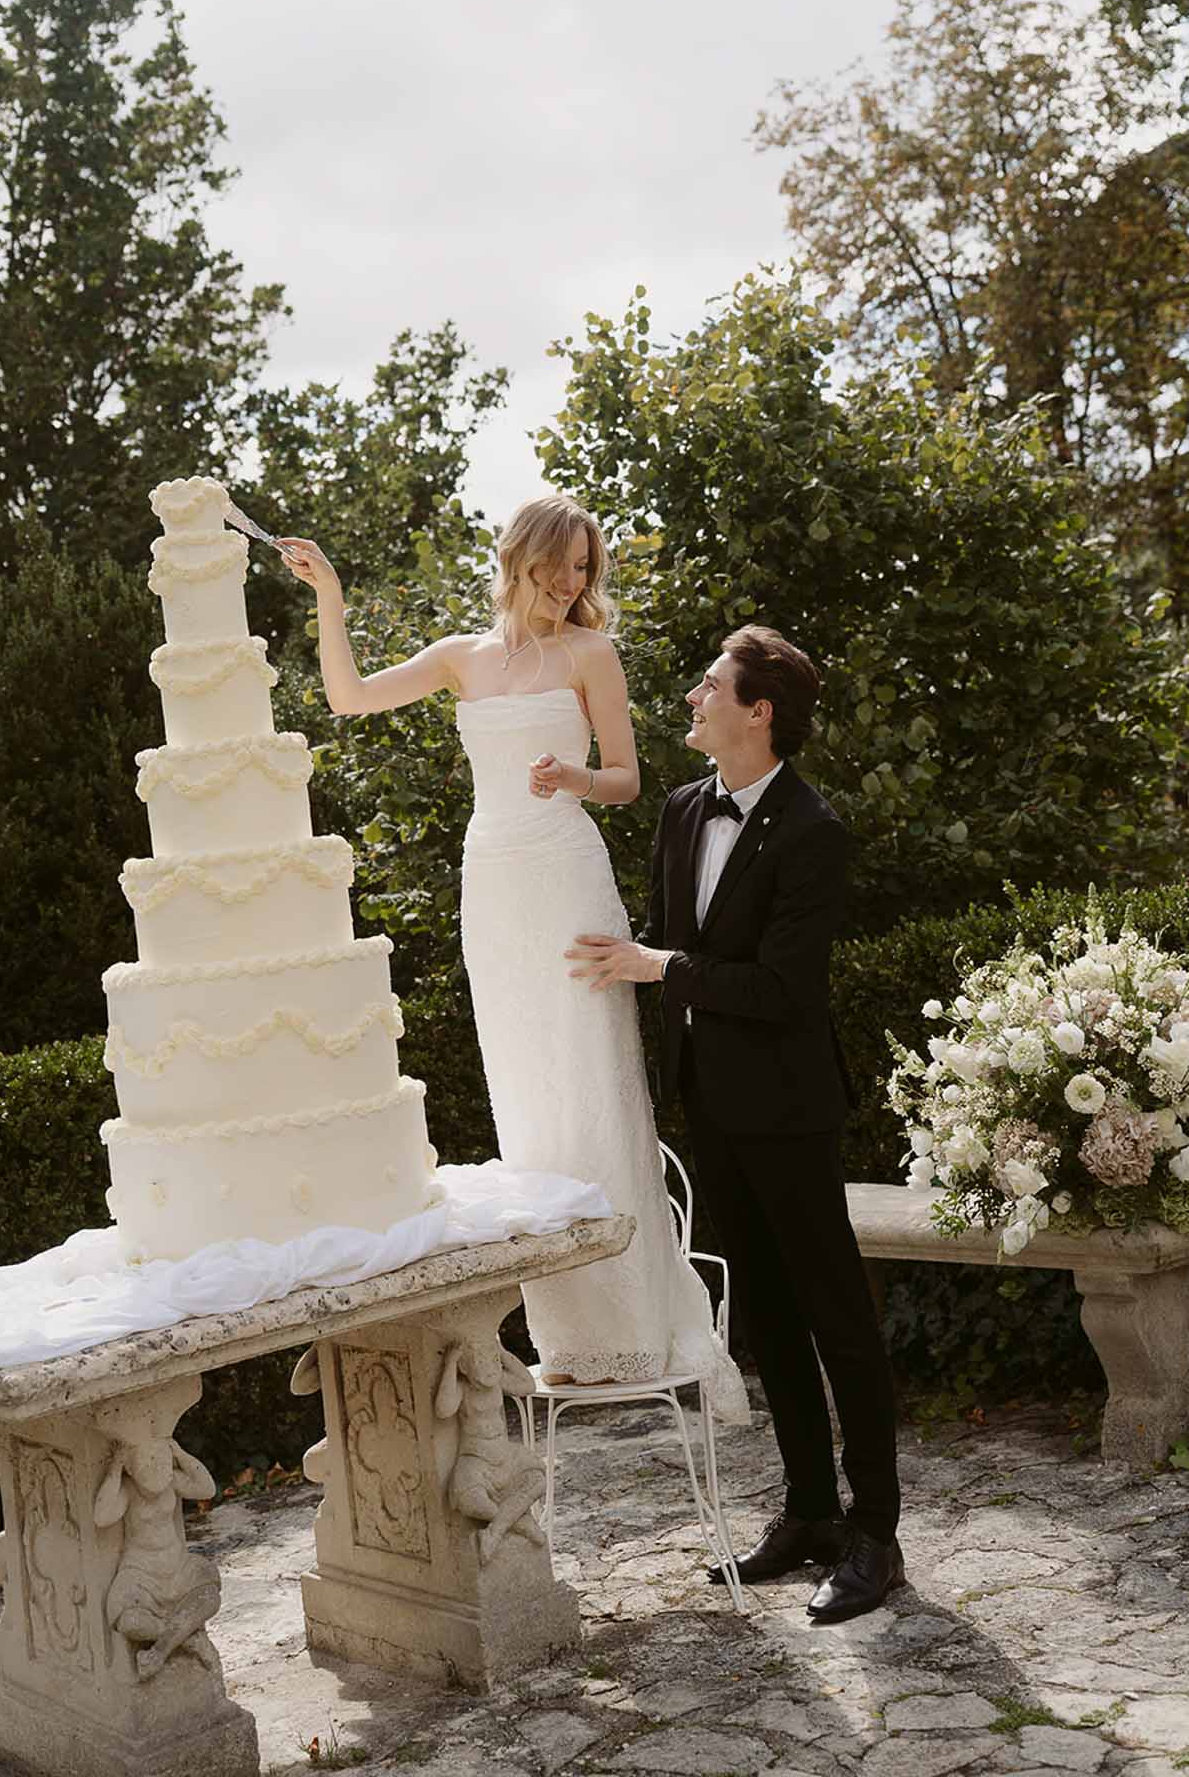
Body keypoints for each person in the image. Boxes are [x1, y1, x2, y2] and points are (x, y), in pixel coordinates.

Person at [277, 497, 747, 1412]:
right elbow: (349, 697)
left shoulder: (590, 653)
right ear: (520, 558)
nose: (572, 582)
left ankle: (637, 1321)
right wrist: (329, 593)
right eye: (559, 563)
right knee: (528, 1093)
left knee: (592, 1078)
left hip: (566, 875)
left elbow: (627, 778)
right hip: (493, 885)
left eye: (584, 567)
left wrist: (574, 777)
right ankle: (569, 1336)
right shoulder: (462, 656)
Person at [565, 625, 904, 1623]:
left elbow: (783, 989)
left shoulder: (814, 830)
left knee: (837, 1317)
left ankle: (876, 1533)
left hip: (789, 1111)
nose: (693, 697)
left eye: (711, 686)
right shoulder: (682, 809)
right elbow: (675, 945)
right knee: (764, 1313)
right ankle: (808, 1513)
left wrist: (658, 967)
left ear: (758, 712)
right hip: (708, 1101)